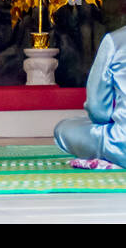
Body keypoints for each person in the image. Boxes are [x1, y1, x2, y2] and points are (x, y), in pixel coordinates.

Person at [54, 25, 126, 169]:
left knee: (63, 129)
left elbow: (98, 111)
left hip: (121, 145)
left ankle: (110, 157)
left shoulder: (115, 40)